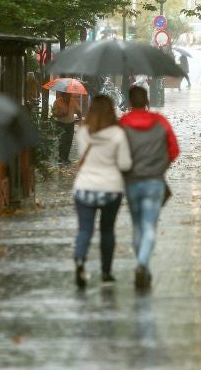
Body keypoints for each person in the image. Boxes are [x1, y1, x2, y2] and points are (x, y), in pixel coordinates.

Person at [120, 86, 179, 290]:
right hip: (154, 181)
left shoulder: (123, 123)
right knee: (149, 226)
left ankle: (141, 264)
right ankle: (142, 265)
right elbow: (174, 149)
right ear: (147, 101)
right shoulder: (160, 122)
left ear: (129, 102)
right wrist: (161, 166)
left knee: (137, 225)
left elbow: (117, 151)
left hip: (131, 182)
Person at [72, 95, 132, 288]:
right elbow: (125, 163)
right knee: (107, 230)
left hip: (85, 186)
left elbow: (82, 156)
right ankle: (106, 272)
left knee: (85, 229)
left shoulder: (83, 132)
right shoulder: (117, 134)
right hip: (110, 188)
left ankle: (80, 261)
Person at [52, 91, 81, 164]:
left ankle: (66, 157)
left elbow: (78, 110)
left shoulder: (72, 100)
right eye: (67, 96)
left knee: (69, 141)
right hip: (61, 124)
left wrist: (80, 119)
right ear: (63, 95)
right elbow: (54, 114)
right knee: (62, 141)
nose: (68, 97)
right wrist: (61, 114)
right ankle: (61, 158)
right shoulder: (57, 102)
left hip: (70, 124)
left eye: (69, 95)